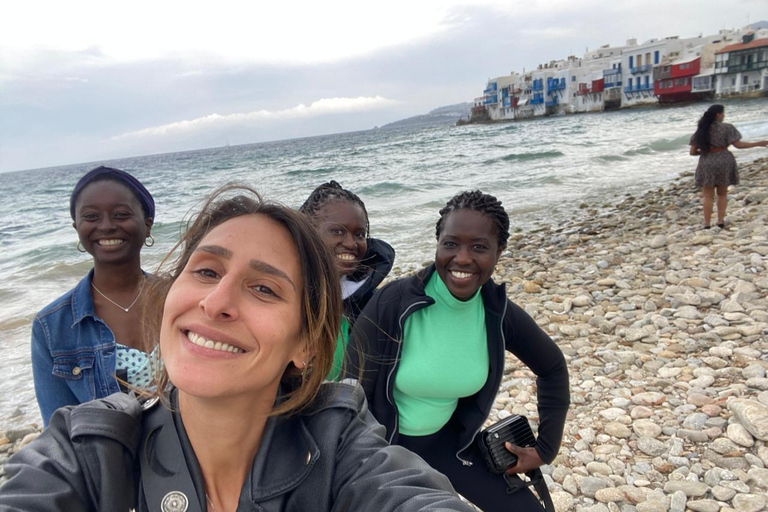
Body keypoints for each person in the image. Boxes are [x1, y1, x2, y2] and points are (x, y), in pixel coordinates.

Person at [1, 185, 475, 512]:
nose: (216, 302)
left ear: (308, 344)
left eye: (265, 289)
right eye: (206, 271)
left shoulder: (340, 443)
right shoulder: (87, 448)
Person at [347, 191, 570, 512]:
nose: (462, 258)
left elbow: (552, 367)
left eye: (479, 246)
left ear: (499, 251)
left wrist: (545, 448)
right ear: (438, 244)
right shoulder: (393, 304)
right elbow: (349, 391)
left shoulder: (496, 314)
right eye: (451, 244)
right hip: (384, 452)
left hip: (449, 446)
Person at [31, 166, 155, 426]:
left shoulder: (182, 298)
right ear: (77, 227)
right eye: (91, 216)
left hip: (200, 460)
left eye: (121, 214)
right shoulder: (52, 327)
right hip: (114, 466)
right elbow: (60, 432)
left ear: (147, 223)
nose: (107, 226)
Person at [299, 180, 395, 380]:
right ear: (309, 231)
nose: (351, 243)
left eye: (359, 234)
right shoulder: (282, 294)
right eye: (337, 231)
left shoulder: (368, 301)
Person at [689, 104, 768, 229]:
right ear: (718, 115)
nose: (724, 116)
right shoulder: (728, 128)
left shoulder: (701, 130)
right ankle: (720, 221)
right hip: (725, 159)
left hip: (707, 162)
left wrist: (706, 152)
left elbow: (692, 152)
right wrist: (758, 143)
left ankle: (706, 223)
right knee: (722, 193)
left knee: (708, 196)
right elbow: (739, 145)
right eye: (723, 113)